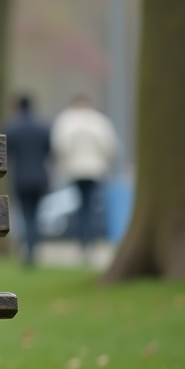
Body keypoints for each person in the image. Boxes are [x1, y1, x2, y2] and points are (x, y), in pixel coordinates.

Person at [51, 94, 118, 254]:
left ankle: (83, 238)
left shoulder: (66, 120)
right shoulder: (99, 121)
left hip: (74, 169)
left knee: (81, 204)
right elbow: (110, 145)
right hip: (95, 169)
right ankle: (89, 238)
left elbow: (60, 145)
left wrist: (65, 162)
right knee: (90, 203)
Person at [3, 95, 52, 267]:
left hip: (21, 177)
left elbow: (7, 151)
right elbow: (48, 150)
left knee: (26, 215)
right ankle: (34, 247)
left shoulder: (12, 128)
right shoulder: (43, 127)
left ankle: (29, 251)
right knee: (36, 215)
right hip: (40, 177)